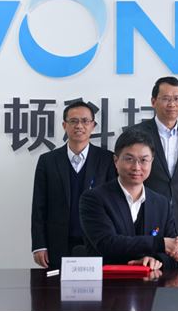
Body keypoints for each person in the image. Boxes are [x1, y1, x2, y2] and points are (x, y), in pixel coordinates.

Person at [79, 129, 178, 269]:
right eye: (129, 159)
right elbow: (107, 244)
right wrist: (159, 244)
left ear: (151, 162)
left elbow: (173, 253)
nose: (136, 167)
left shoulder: (161, 204)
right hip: (108, 279)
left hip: (152, 281)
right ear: (116, 161)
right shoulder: (93, 199)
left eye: (143, 160)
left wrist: (154, 260)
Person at [30, 101, 116, 269]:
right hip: (58, 244)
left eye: (85, 121)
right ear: (64, 125)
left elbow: (115, 205)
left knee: (99, 286)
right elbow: (39, 206)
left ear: (93, 125)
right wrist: (39, 245)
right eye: (73, 121)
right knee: (56, 286)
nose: (79, 126)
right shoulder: (48, 161)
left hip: (98, 243)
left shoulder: (107, 160)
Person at [128, 77, 178, 244]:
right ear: (153, 101)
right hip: (145, 215)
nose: (172, 104)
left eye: (177, 99)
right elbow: (127, 179)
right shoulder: (136, 134)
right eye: (166, 99)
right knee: (147, 260)